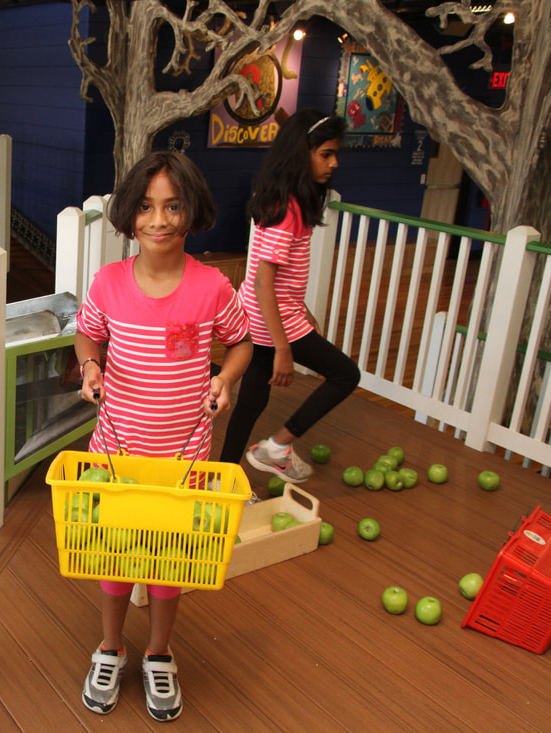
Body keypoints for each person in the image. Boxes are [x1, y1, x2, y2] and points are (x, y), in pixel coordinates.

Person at [75, 151, 252, 722]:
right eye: (147, 207)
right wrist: (90, 367)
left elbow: (243, 341)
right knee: (114, 558)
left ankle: (157, 653)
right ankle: (109, 648)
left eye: (172, 206)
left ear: (191, 211)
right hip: (116, 453)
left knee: (168, 564)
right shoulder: (108, 283)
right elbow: (87, 337)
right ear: (128, 215)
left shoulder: (211, 286)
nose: (159, 220)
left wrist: (224, 378)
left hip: (185, 456)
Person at [219, 109, 361, 486]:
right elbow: (266, 281)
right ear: (303, 153)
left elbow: (279, 278)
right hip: (272, 318)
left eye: (335, 155)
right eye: (326, 154)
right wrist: (283, 346)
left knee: (252, 400)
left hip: (264, 312)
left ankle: (223, 477)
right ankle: (278, 447)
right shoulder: (290, 211)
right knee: (346, 375)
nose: (334, 163)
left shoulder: (282, 199)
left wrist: (305, 308)